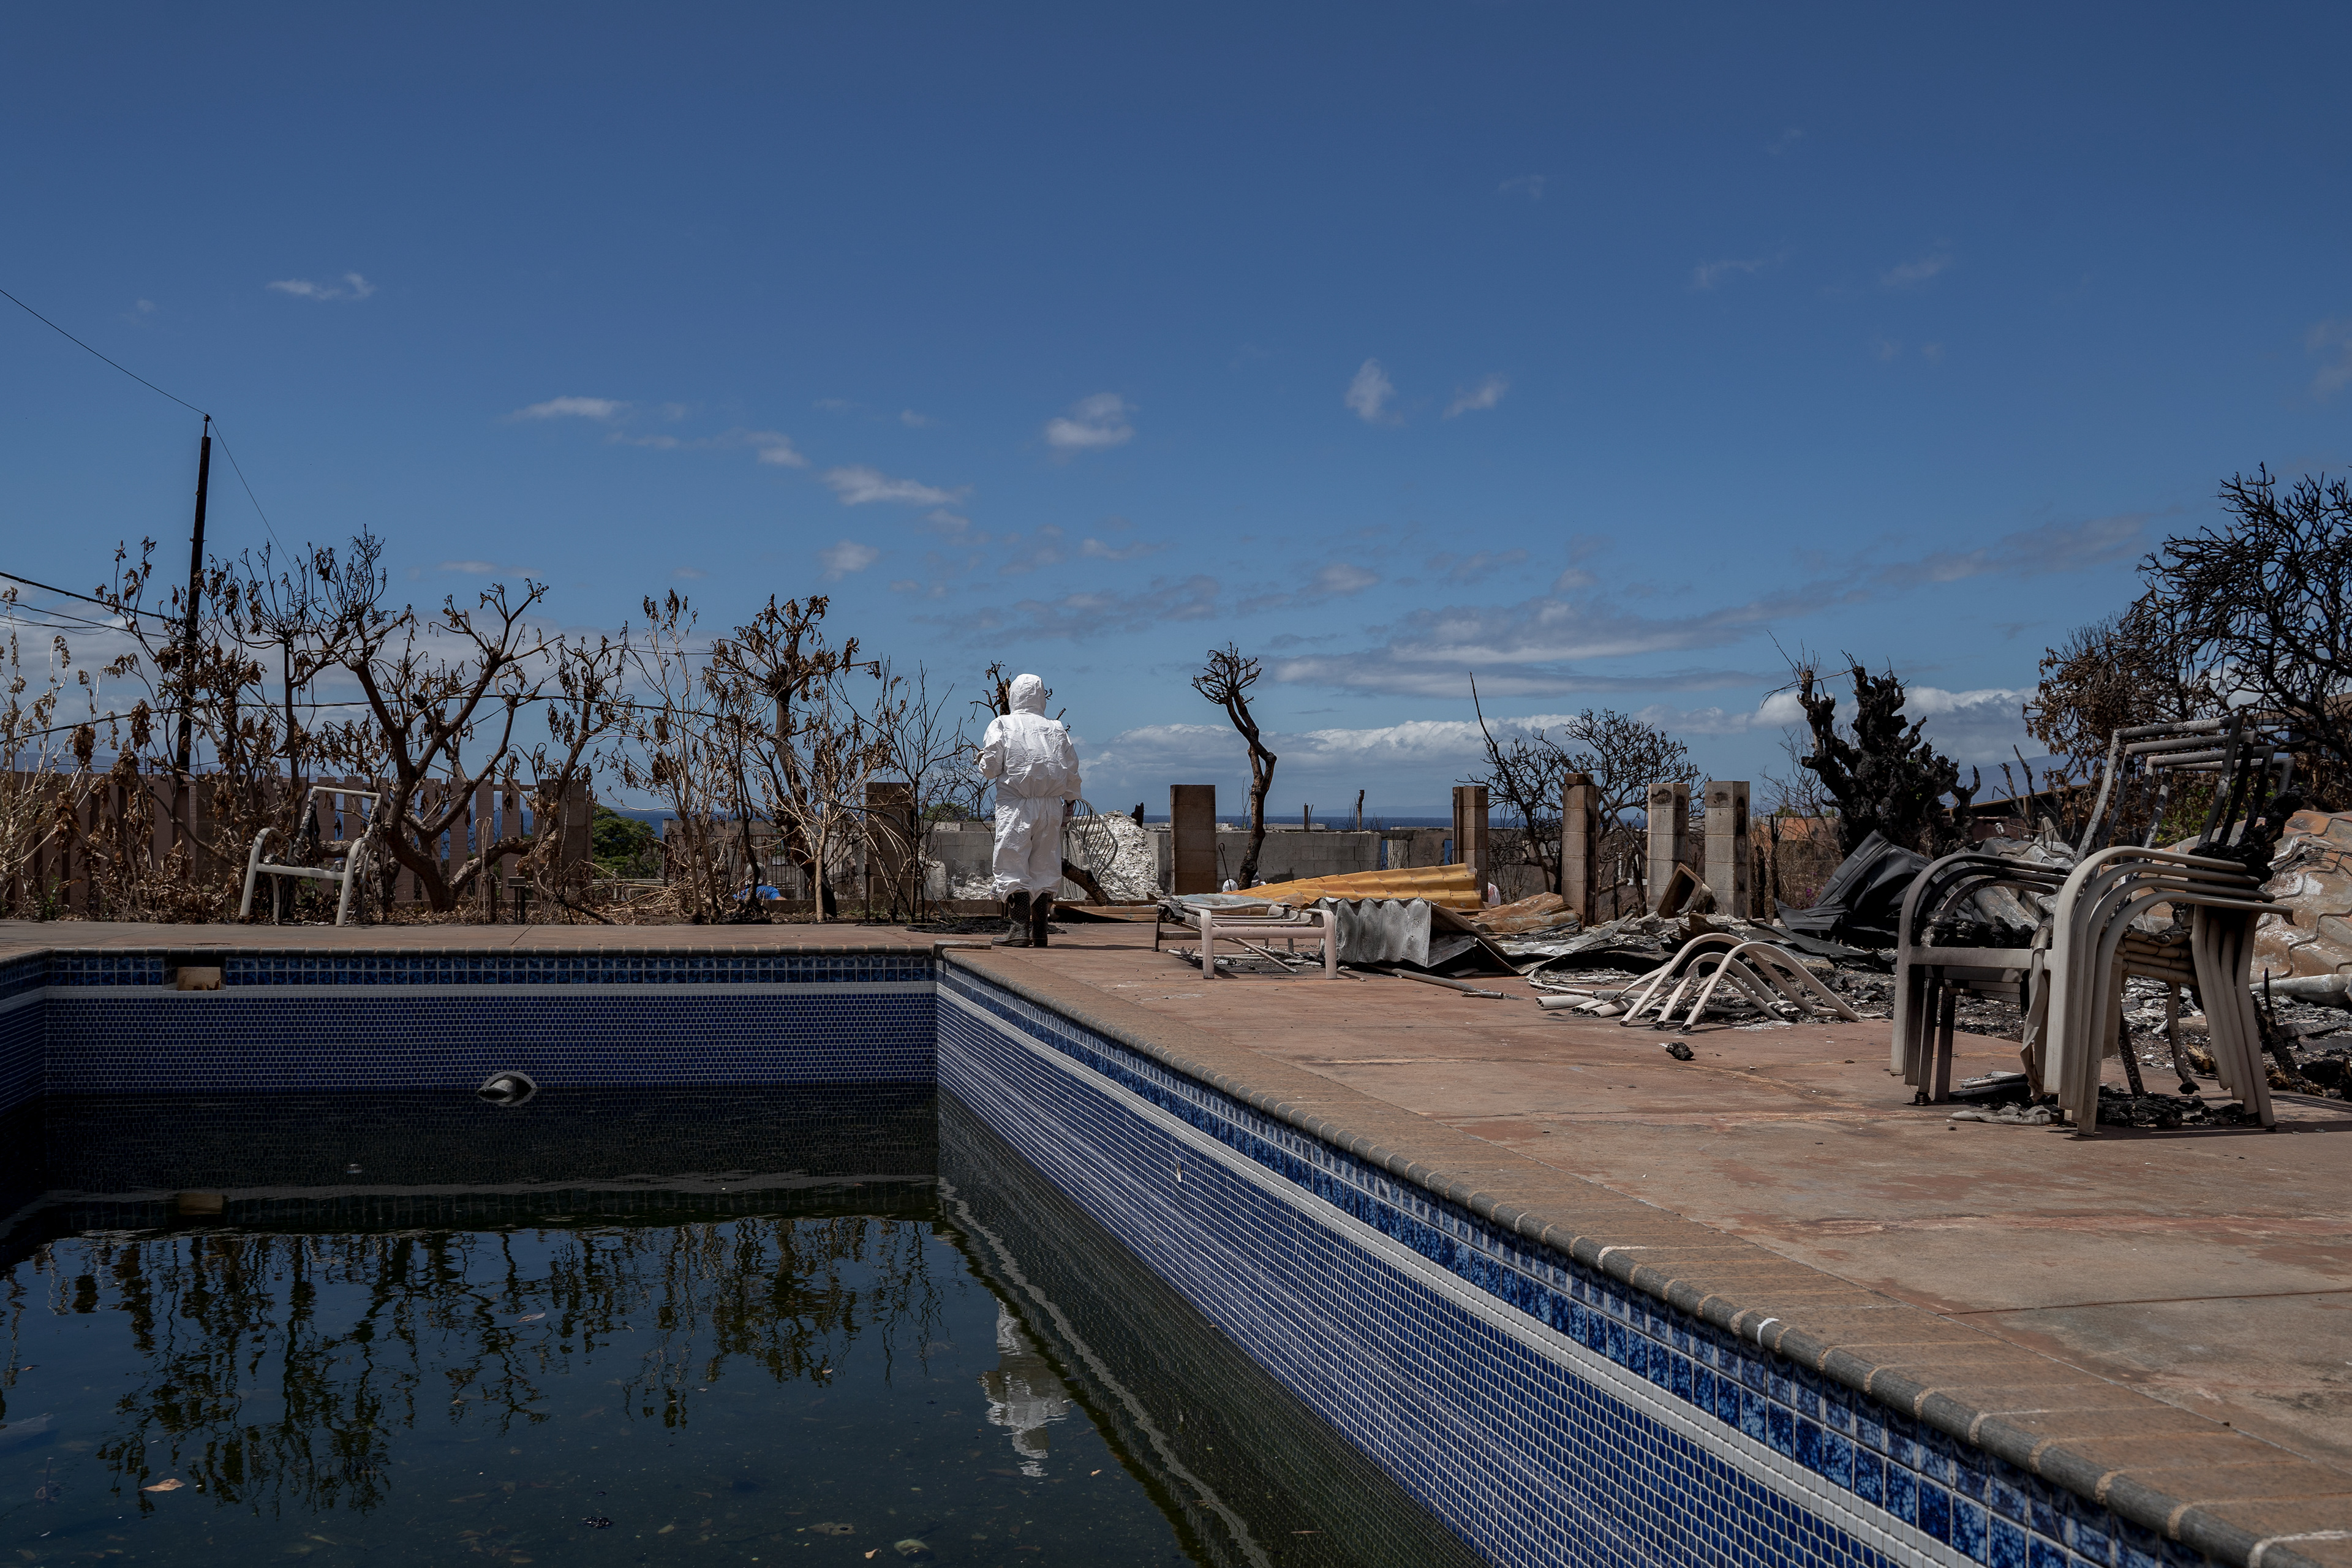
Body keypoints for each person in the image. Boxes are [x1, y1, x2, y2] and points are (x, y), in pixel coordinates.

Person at [978, 673, 1080, 948]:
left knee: (1012, 863)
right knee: (1045, 866)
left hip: (1017, 805)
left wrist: (981, 760)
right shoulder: (1056, 728)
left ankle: (1019, 930)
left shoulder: (1002, 724)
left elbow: (990, 769)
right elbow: (1071, 770)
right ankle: (1040, 932)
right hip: (1051, 806)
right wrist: (1069, 803)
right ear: (1042, 697)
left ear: (1013, 696)